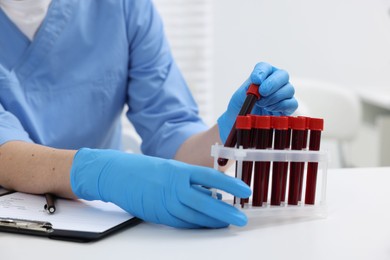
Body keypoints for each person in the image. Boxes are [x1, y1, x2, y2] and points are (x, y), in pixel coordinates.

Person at [0, 0, 297, 229]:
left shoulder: (123, 7)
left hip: (98, 221)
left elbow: (170, 131)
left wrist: (228, 131)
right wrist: (100, 174)